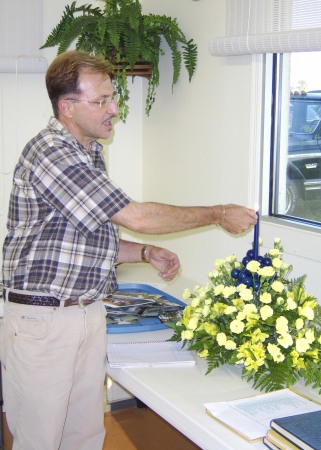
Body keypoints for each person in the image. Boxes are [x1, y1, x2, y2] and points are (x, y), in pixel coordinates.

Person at [1, 50, 257, 450]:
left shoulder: (87, 152)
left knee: (84, 435)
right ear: (67, 107)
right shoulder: (52, 153)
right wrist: (218, 213)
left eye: (112, 97)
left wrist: (143, 254)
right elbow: (135, 216)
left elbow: (80, 239)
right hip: (45, 320)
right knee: (40, 440)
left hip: (84, 310)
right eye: (102, 100)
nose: (114, 109)